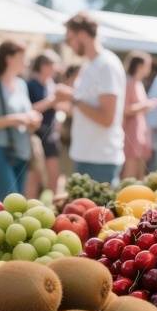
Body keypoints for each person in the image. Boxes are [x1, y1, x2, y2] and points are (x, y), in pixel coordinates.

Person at [55, 13, 125, 185]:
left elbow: (107, 118)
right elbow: (83, 109)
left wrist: (73, 98)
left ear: (83, 35)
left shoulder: (106, 64)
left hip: (100, 160)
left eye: (68, 39)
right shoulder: (89, 66)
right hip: (86, 155)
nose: (68, 45)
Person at [0, 40, 41, 200]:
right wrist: (14, 120)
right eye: (22, 57)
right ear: (9, 58)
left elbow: (26, 112)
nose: (27, 62)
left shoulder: (21, 84)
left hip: (22, 150)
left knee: (15, 201)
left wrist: (34, 118)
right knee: (10, 201)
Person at [27, 49, 67, 194]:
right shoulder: (31, 84)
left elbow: (56, 106)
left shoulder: (50, 84)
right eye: (54, 65)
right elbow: (29, 109)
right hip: (36, 136)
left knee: (54, 176)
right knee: (34, 177)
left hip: (51, 135)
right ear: (44, 66)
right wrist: (53, 100)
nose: (57, 69)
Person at [121, 51, 157, 180]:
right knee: (130, 172)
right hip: (130, 130)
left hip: (139, 129)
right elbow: (124, 109)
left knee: (139, 172)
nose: (149, 68)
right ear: (139, 65)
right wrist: (145, 105)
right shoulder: (129, 82)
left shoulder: (138, 83)